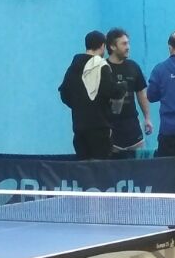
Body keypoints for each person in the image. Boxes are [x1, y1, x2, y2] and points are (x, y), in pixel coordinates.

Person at [58, 29, 114, 160]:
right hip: (99, 125)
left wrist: (78, 105)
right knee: (101, 165)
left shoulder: (74, 66)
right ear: (102, 46)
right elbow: (110, 91)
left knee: (82, 165)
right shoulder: (101, 65)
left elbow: (64, 92)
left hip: (79, 125)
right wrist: (121, 88)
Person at [104, 27, 154, 156]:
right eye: (124, 44)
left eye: (128, 43)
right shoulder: (103, 68)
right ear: (112, 46)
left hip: (132, 127)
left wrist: (147, 118)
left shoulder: (133, 67)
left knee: (138, 165)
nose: (128, 47)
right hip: (110, 128)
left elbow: (141, 94)